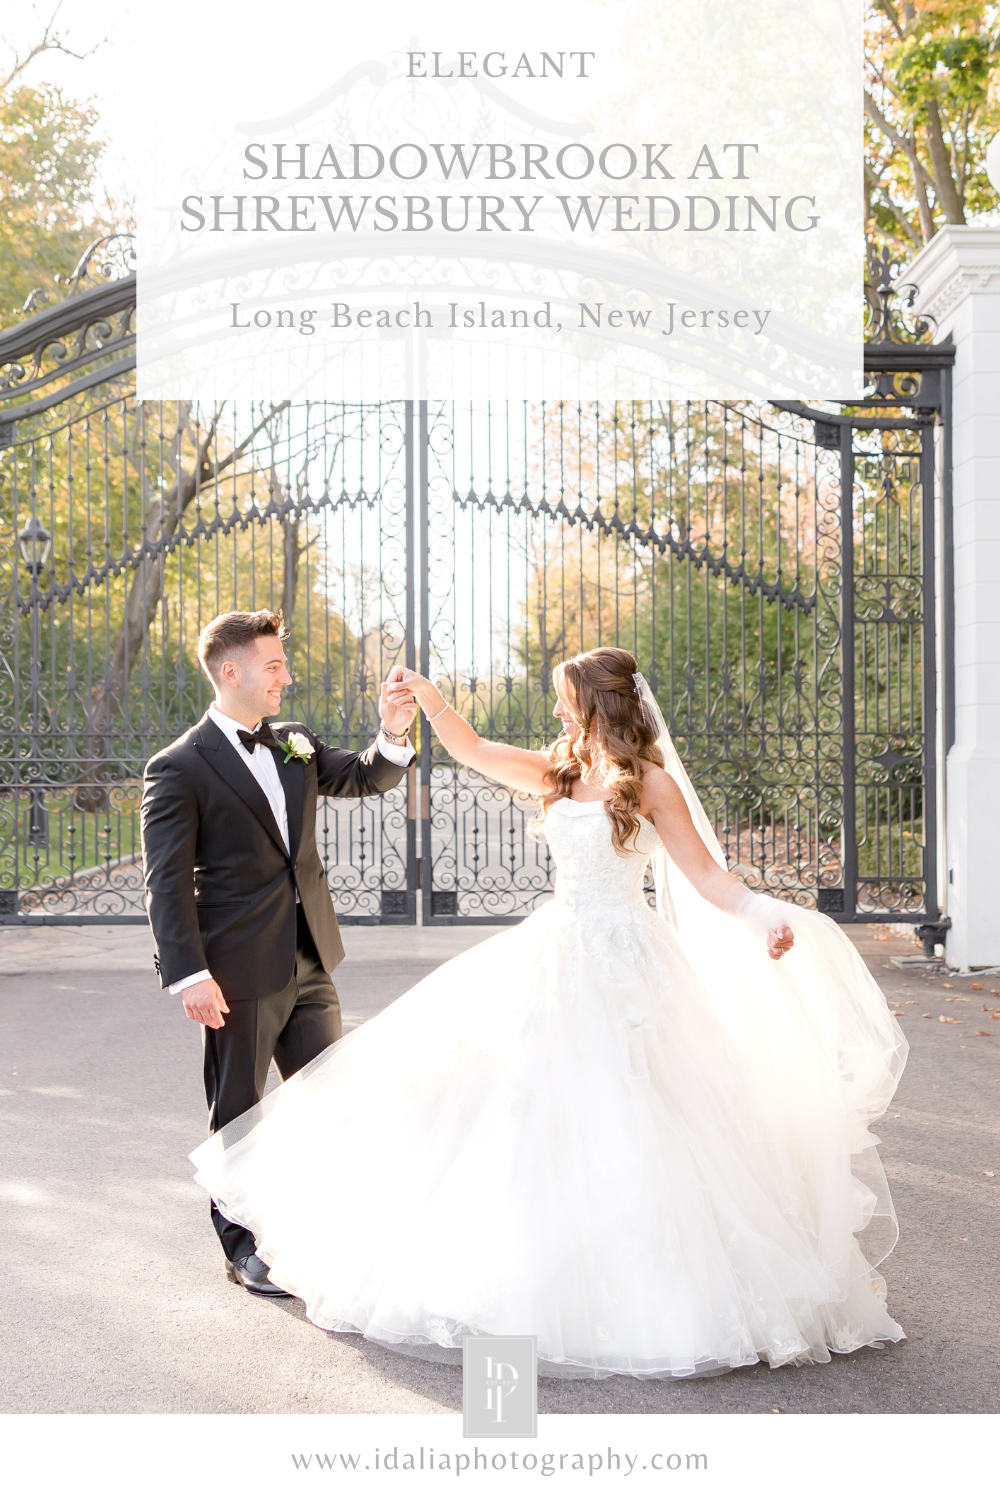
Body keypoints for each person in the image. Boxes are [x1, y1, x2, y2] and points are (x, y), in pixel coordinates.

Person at [190, 646, 908, 1378]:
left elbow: (706, 876)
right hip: (554, 954)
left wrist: (759, 915)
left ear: (600, 704)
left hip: (631, 967)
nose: (558, 711)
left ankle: (654, 1286)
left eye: (567, 699)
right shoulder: (558, 772)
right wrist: (431, 701)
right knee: (522, 1110)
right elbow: (470, 750)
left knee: (645, 1116)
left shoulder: (651, 785)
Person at [140, 609, 417, 1295]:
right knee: (239, 1110)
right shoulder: (177, 768)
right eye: (273, 667)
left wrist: (393, 730)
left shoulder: (293, 741)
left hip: (310, 958)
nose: (285, 679)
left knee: (329, 1098)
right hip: (234, 972)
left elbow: (362, 778)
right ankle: (242, 1248)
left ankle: (323, 1233)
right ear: (230, 672)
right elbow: (166, 884)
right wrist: (189, 975)